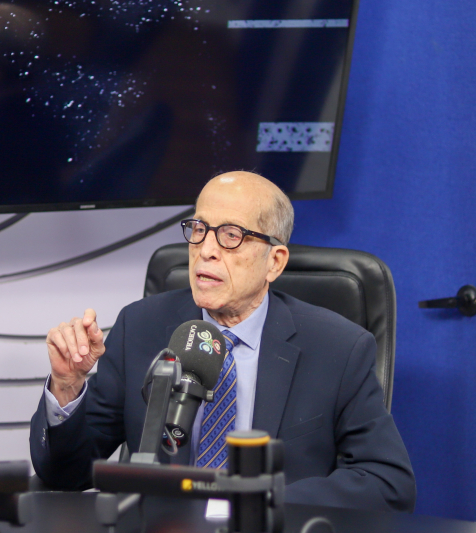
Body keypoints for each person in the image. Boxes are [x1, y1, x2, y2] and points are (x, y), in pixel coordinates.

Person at [30, 171, 416, 511]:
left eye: (231, 235)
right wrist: (67, 386)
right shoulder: (141, 326)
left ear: (275, 262)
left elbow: (387, 482)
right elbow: (67, 473)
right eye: (199, 229)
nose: (206, 250)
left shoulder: (337, 348)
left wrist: (256, 502)